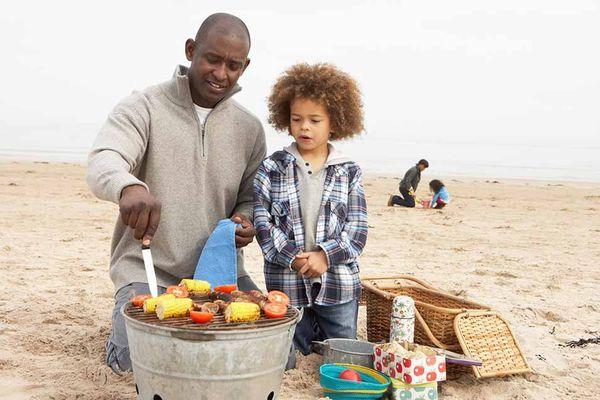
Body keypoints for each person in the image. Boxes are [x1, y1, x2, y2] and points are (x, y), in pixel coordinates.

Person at [86, 13, 266, 374]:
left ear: (244, 68)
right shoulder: (144, 106)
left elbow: (251, 197)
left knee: (276, 355)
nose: (221, 73)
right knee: (128, 364)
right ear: (191, 50)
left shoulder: (250, 128)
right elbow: (104, 159)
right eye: (212, 59)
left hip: (219, 273)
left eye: (233, 65)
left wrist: (246, 220)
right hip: (148, 269)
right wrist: (129, 185)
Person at [253, 63, 368, 369]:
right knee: (286, 357)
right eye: (297, 119)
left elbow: (356, 230)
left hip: (338, 283)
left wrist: (325, 256)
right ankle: (307, 333)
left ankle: (323, 330)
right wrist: (293, 257)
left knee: (347, 355)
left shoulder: (348, 171)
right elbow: (263, 225)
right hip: (287, 283)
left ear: (335, 123)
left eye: (315, 120)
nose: (305, 127)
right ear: (285, 119)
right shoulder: (271, 168)